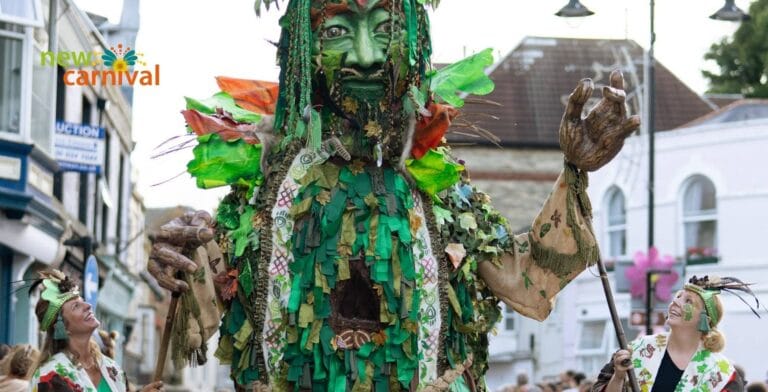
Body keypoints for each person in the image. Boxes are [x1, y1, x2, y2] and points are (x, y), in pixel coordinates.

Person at [146, 0, 640, 389]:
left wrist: (574, 171)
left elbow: (529, 282)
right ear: (304, 47)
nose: (366, 55)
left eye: (383, 29)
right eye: (338, 30)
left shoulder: (438, 188)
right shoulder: (269, 188)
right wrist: (182, 257)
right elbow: (205, 305)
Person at [592, 275, 754, 392]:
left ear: (704, 319)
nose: (675, 302)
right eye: (678, 296)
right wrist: (619, 377)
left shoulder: (721, 373)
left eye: (688, 301)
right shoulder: (637, 349)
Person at [27, 270, 164, 392]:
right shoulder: (50, 376)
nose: (87, 305)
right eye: (76, 306)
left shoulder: (112, 369)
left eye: (83, 301)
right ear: (61, 327)